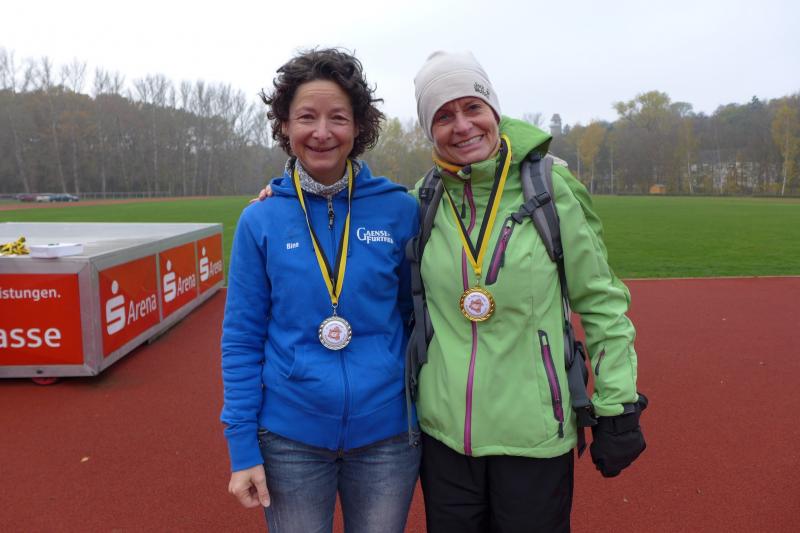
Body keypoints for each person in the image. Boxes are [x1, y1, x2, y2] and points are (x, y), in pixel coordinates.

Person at [409, 51, 647, 533]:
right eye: (443, 116)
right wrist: (284, 191)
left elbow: (600, 300)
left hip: (535, 435)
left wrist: (618, 404)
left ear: (494, 111)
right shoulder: (424, 197)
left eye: (472, 107)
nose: (462, 125)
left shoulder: (550, 187)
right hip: (445, 440)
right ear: (429, 131)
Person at [220, 48, 421, 533]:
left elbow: (413, 316)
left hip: (387, 437)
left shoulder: (399, 211)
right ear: (285, 125)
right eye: (307, 117)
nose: (322, 132)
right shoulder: (260, 219)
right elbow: (242, 338)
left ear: (359, 126)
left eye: (338, 118)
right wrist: (242, 447)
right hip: (289, 439)